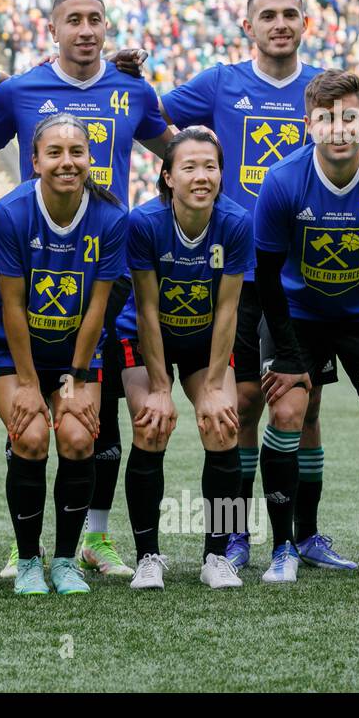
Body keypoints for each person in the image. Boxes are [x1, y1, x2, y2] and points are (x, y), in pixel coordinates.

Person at [0, 0, 174, 578]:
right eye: (71, 20)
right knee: (28, 419)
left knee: (95, 423)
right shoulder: (20, 92)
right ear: (52, 29)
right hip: (35, 263)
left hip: (105, 258)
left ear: (107, 28)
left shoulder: (133, 90)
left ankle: (92, 540)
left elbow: (175, 153)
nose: (84, 30)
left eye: (94, 20)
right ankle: (25, 547)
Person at [148, 0, 351, 572]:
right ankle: (233, 536)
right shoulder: (219, 83)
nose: (280, 23)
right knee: (238, 403)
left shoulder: (323, 88)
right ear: (248, 25)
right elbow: (152, 117)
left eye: (290, 14)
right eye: (268, 15)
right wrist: (187, 172)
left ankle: (305, 535)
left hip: (307, 274)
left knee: (304, 405)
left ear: (305, 24)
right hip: (237, 273)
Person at [252, 69, 359, 583]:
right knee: (287, 410)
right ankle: (285, 547)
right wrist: (285, 355)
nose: (339, 128)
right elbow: (266, 278)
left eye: (349, 117)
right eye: (326, 119)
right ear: (309, 125)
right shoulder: (283, 180)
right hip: (297, 316)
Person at [0, 113, 128, 596]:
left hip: (73, 355)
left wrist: (76, 381)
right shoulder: (14, 211)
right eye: (54, 153)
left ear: (90, 159)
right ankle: (26, 560)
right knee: (32, 436)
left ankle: (64, 561)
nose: (66, 162)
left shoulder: (111, 217)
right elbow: (13, 305)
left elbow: (98, 307)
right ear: (35, 160)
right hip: (9, 346)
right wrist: (25, 383)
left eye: (76, 152)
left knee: (80, 439)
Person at [116, 127, 252, 590]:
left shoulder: (235, 223)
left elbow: (228, 310)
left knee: (223, 425)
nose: (201, 176)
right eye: (189, 167)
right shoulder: (144, 223)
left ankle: (216, 556)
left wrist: (213, 387)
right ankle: (147, 556)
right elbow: (148, 310)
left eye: (210, 166)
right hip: (145, 337)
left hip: (203, 339)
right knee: (151, 426)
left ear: (221, 174)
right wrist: (159, 387)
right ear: (168, 177)